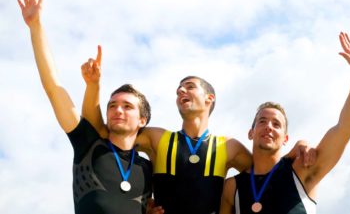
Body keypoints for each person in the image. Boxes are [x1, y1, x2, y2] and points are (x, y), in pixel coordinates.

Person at [82, 55, 315, 214]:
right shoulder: (158, 139)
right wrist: (93, 87)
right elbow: (102, 132)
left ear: (209, 98)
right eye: (178, 90)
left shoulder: (229, 147)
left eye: (190, 86)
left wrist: (296, 149)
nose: (181, 90)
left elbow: (266, 172)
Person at [18, 0, 153, 213]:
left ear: (142, 120)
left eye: (127, 106)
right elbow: (54, 88)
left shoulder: (147, 168)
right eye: (112, 105)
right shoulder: (88, 144)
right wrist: (36, 26)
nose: (117, 110)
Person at [219, 32, 350, 214]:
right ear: (251, 132)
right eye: (262, 121)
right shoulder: (232, 187)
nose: (269, 127)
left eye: (276, 124)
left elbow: (345, 128)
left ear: (285, 138)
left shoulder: (303, 168)